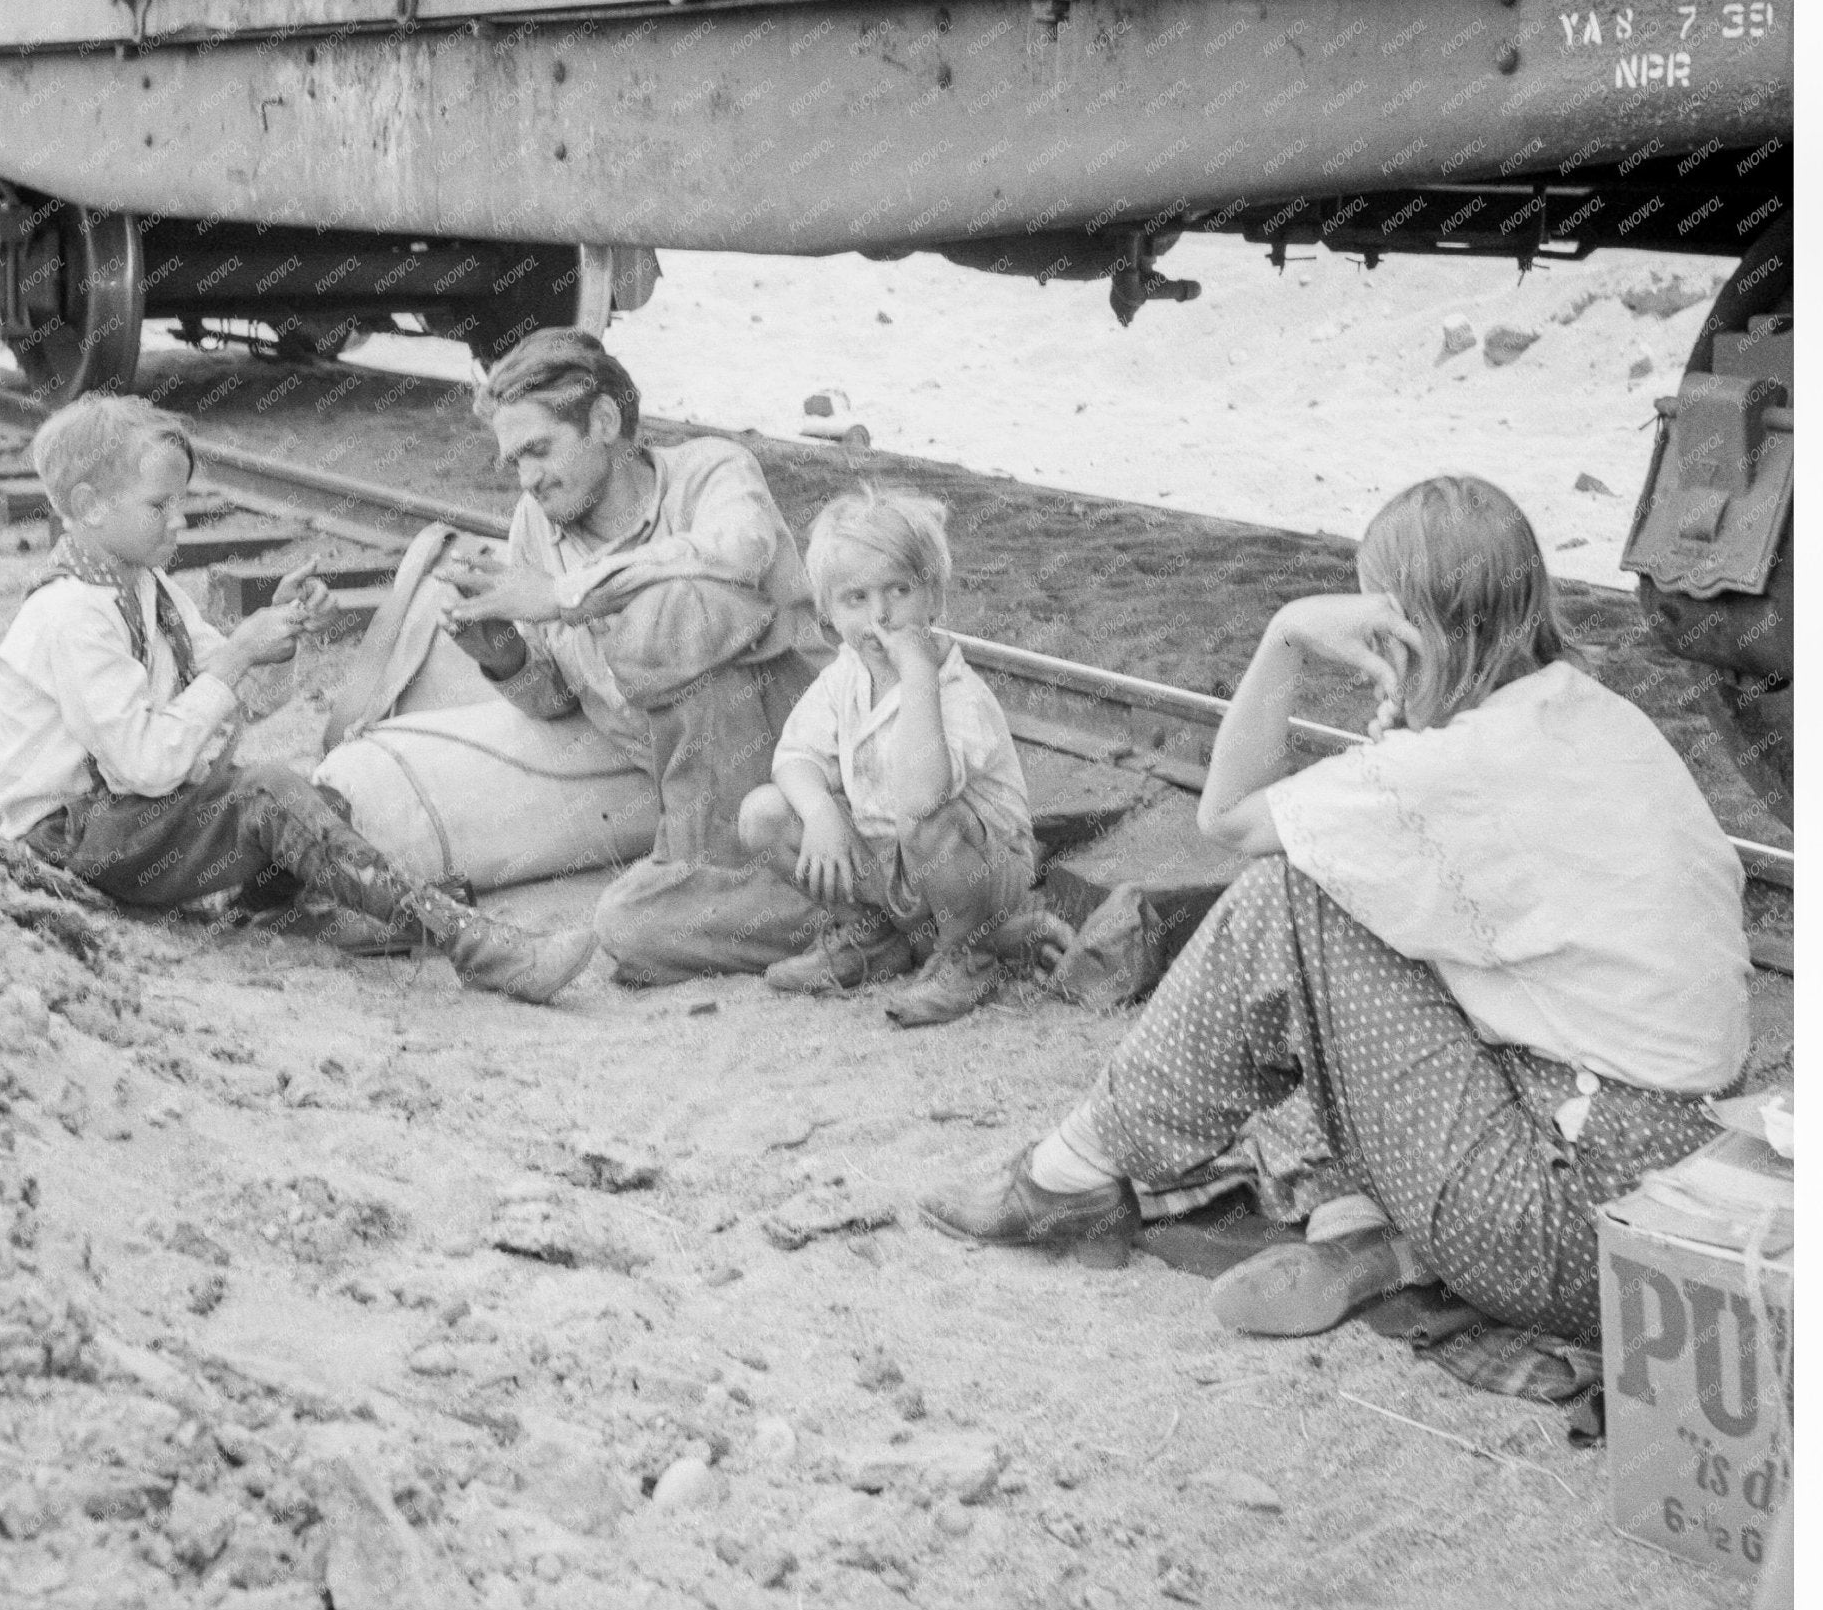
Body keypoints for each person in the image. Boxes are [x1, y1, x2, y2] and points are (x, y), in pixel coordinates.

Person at [919, 475, 1750, 1347]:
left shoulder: (1456, 769)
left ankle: (1073, 1171)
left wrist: (1285, 637)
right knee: (1352, 901)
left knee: (1293, 900)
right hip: (1680, 1193)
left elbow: (1229, 816)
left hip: (1572, 1224)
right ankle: (1371, 1231)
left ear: (1404, 627)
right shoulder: (1597, 716)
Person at [0, 395, 592, 1003]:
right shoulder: (70, 615)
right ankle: (475, 945)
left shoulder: (144, 585)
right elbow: (147, 764)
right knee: (271, 795)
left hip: (127, 818)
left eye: (182, 502)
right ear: (90, 507)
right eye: (159, 505)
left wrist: (278, 636)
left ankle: (276, 909)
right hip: (70, 837)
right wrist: (235, 657)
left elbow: (232, 704)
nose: (180, 522)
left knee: (317, 800)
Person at [429, 329, 824, 984]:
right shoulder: (536, 525)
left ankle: (816, 894)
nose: (528, 479)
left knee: (672, 611)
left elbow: (740, 553)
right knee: (627, 926)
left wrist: (563, 595)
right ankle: (850, 910)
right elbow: (559, 700)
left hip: (794, 755)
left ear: (605, 421)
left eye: (539, 450)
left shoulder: (709, 470)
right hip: (684, 791)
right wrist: (501, 656)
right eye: (514, 463)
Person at [737, 487, 1036, 1027]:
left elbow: (923, 799)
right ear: (829, 614)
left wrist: (917, 671)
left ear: (935, 599)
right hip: (893, 863)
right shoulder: (845, 677)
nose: (881, 615)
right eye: (856, 598)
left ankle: (969, 956)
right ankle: (873, 936)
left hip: (981, 872)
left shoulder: (954, 690)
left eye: (900, 590)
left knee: (925, 822)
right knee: (764, 813)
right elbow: (795, 756)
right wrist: (823, 814)